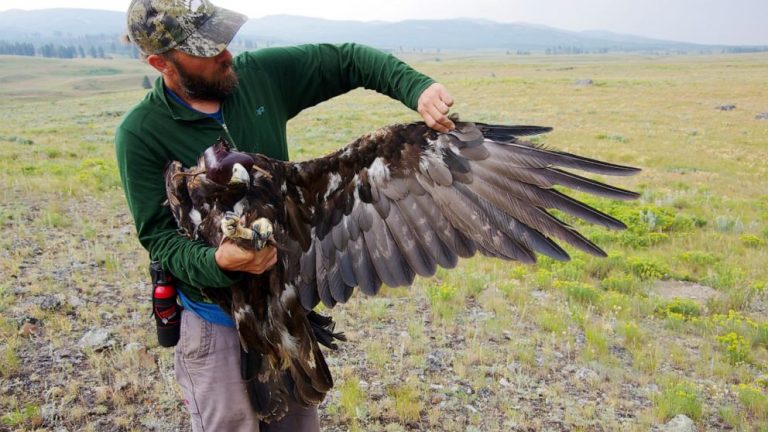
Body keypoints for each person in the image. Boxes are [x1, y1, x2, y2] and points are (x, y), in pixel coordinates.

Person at [116, 0, 455, 430]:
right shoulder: (140, 133)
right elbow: (160, 239)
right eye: (206, 49)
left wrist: (417, 88)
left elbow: (347, 60)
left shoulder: (258, 76)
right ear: (161, 63)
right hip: (213, 317)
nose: (225, 54)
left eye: (224, 39)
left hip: (285, 306)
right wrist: (217, 264)